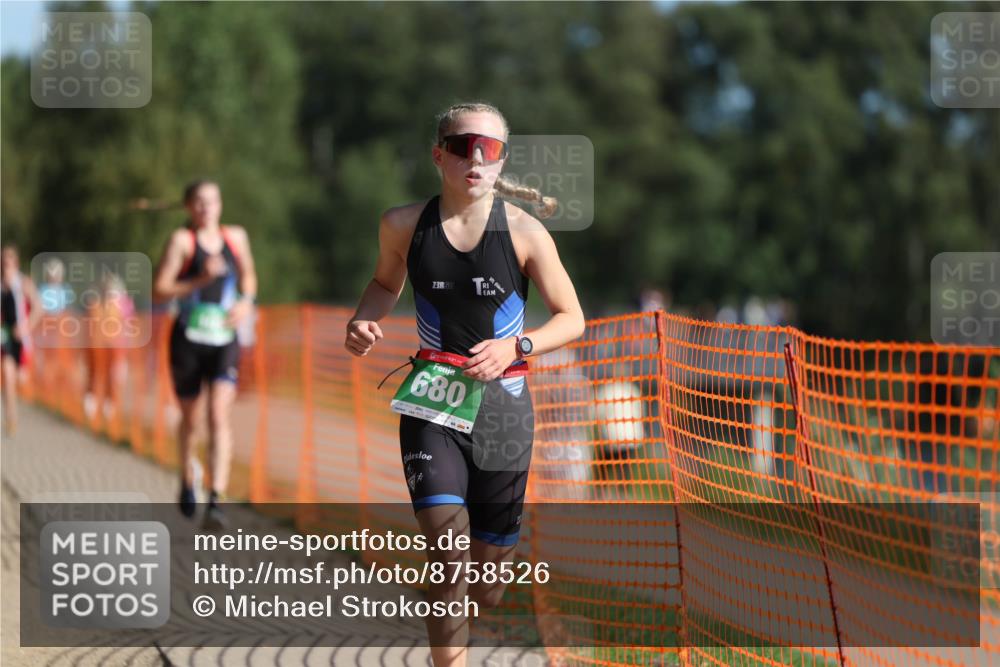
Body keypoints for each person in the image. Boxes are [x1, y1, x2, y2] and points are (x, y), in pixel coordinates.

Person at [344, 102, 585, 666]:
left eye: (489, 148)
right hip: (433, 407)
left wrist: (516, 347)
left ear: (501, 160)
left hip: (504, 416)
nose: (475, 158)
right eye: (462, 146)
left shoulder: (524, 232)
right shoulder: (403, 224)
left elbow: (572, 317)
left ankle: (467, 599)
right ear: (439, 155)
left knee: (486, 587)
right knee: (448, 558)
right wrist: (363, 319)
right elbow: (384, 284)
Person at [153, 180, 257, 530]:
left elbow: (249, 277)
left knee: (218, 415)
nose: (206, 207)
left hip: (224, 338)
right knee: (191, 418)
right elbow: (159, 290)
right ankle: (187, 476)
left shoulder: (236, 237)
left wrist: (246, 302)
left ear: (220, 204)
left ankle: (216, 499)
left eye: (211, 201)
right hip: (188, 338)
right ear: (188, 207)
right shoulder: (182, 242)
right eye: (198, 202)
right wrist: (199, 279)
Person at [1, 244, 41, 437]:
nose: (6, 265)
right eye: (3, 261)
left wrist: (26, 327)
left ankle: (20, 405)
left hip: (21, 338)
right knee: (7, 376)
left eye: (9, 261)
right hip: (5, 336)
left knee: (19, 379)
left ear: (16, 263)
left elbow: (38, 308)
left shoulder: (24, 283)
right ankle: (11, 418)